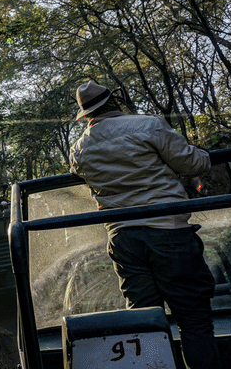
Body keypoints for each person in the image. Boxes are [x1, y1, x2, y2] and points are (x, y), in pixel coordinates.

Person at [68, 81, 220, 369]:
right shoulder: (149, 125)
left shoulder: (79, 148)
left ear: (85, 114)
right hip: (168, 231)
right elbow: (192, 164)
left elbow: (78, 173)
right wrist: (205, 156)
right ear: (114, 101)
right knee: (194, 320)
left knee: (143, 323)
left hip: (123, 239)